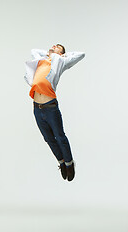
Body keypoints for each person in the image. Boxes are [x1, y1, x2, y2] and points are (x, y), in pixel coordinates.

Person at [24, 44, 85, 181]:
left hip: (50, 107)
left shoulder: (60, 62)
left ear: (62, 54)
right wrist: (49, 53)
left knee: (60, 136)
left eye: (58, 46)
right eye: (53, 45)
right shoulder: (41, 60)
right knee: (48, 138)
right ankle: (62, 162)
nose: (54, 46)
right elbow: (33, 50)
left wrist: (60, 55)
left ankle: (69, 163)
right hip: (37, 108)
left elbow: (81, 54)